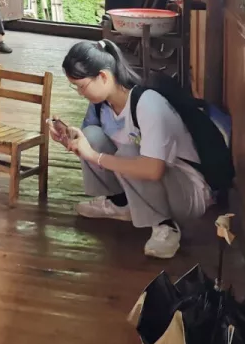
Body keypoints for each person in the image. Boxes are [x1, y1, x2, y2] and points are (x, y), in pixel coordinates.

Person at [51, 40, 213, 259]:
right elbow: (89, 144)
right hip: (148, 182)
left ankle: (165, 225)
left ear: (103, 76)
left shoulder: (147, 103)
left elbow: (152, 169)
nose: (80, 93)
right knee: (90, 134)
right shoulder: (100, 105)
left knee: (128, 154)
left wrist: (94, 156)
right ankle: (121, 203)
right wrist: (70, 140)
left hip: (187, 192)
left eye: (82, 86)